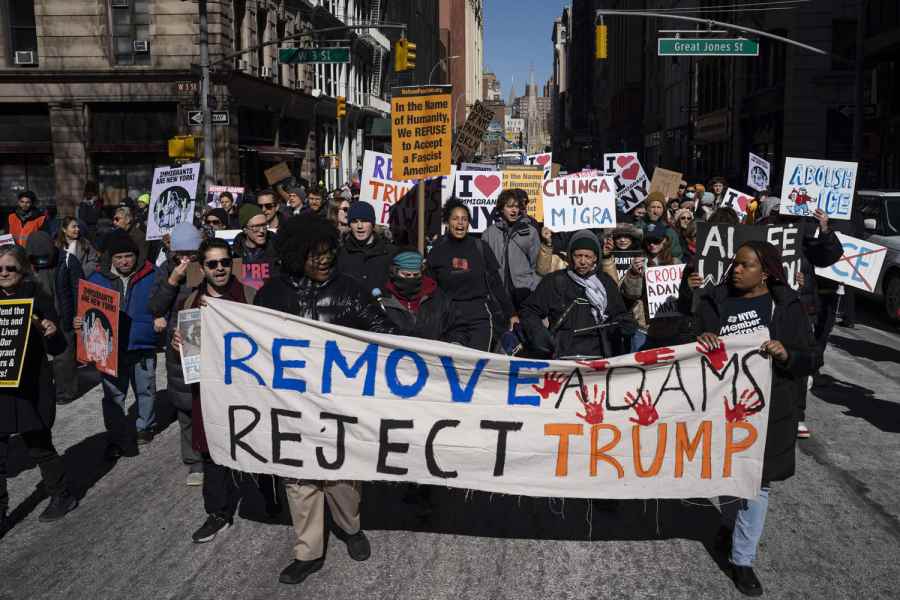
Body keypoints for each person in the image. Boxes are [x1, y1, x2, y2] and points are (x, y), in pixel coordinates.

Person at [253, 215, 397, 586]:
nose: (324, 261)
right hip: (291, 405)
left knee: (342, 481)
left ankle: (351, 528)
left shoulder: (350, 291)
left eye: (329, 253)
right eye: (314, 255)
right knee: (300, 482)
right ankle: (308, 551)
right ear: (294, 254)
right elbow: (249, 344)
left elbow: (388, 338)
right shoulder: (272, 294)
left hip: (339, 407)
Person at [694, 241, 820, 597]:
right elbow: (692, 346)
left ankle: (742, 560)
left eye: (745, 265)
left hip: (770, 411)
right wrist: (701, 338)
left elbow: (811, 358)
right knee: (727, 472)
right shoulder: (714, 301)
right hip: (722, 407)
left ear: (765, 272)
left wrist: (787, 354)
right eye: (735, 264)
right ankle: (728, 523)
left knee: (757, 484)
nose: (736, 269)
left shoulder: (787, 307)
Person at [168, 238, 259, 542]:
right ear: (202, 268)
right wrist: (177, 344)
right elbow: (184, 353)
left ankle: (269, 494)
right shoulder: (191, 302)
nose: (219, 269)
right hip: (208, 391)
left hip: (245, 388)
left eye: (224, 262)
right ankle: (217, 512)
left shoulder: (249, 295)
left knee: (254, 443)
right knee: (211, 452)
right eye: (212, 264)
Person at [0, 244, 76, 536]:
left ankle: (62, 494)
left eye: (11, 268)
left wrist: (51, 330)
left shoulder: (36, 296)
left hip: (30, 384)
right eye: (0, 269)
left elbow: (58, 347)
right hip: (1, 386)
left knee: (39, 443)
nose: (5, 273)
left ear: (22, 270)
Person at [83, 230, 158, 458]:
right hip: (111, 348)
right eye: (118, 257)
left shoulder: (151, 274)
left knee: (145, 388)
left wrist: (159, 320)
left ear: (136, 256)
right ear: (111, 259)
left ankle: (145, 426)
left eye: (128, 256)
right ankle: (116, 437)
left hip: (142, 342)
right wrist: (81, 320)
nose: (124, 261)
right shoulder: (97, 279)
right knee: (114, 394)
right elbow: (88, 310)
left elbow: (163, 301)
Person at [148, 223, 205, 484]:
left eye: (191, 254)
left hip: (210, 338)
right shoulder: (165, 271)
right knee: (185, 402)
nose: (186, 260)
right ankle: (194, 461)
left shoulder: (208, 265)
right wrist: (173, 281)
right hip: (180, 342)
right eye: (181, 254)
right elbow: (155, 306)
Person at [520, 230, 632, 359]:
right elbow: (529, 311)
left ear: (595, 258)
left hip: (600, 356)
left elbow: (619, 314)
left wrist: (626, 325)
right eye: (578, 256)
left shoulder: (606, 282)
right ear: (570, 256)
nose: (583, 261)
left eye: (587, 256)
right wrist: (540, 335)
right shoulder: (554, 281)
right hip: (563, 356)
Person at [426, 198, 516, 352]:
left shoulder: (481, 247)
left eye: (464, 219)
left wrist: (511, 313)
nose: (460, 223)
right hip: (449, 318)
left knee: (479, 363)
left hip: (480, 316)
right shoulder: (438, 249)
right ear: (447, 222)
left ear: (468, 223)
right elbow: (429, 286)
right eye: (455, 219)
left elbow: (496, 283)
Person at [27, 231, 84, 406]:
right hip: (37, 314)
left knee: (63, 356)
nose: (43, 263)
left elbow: (79, 289)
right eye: (38, 260)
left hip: (63, 314)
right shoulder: (24, 264)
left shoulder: (68, 261)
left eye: (46, 259)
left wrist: (78, 314)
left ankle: (65, 391)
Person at [620, 231, 681, 352]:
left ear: (665, 241)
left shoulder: (676, 263)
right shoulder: (639, 263)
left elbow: (683, 294)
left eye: (656, 241)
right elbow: (632, 294)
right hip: (644, 328)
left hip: (670, 327)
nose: (652, 245)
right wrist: (634, 274)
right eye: (649, 241)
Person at [481, 189, 541, 310]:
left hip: (524, 292)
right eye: (509, 206)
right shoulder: (488, 234)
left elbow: (537, 264)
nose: (514, 210)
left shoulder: (530, 231)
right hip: (499, 294)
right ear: (501, 209)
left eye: (517, 206)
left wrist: (532, 285)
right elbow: (485, 266)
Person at [380, 249, 454, 339]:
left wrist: (455, 342)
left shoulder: (438, 298)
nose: (411, 279)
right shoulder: (382, 300)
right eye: (406, 275)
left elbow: (456, 327)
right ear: (394, 272)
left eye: (416, 275)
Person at [336, 201, 395, 295]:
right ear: (349, 225)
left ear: (372, 224)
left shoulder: (389, 252)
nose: (360, 226)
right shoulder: (340, 253)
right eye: (355, 221)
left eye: (364, 221)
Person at [634, 192, 683, 260]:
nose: (655, 211)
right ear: (647, 209)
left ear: (663, 210)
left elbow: (677, 254)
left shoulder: (669, 230)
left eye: (659, 207)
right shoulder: (636, 227)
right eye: (653, 207)